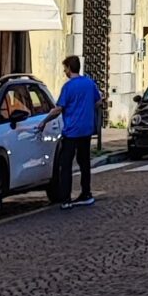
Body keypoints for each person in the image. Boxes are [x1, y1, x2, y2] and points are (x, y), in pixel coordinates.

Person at [50, 54, 102, 207]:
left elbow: (59, 108)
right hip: (86, 130)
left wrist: (44, 121)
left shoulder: (68, 87)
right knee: (84, 162)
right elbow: (98, 101)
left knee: (65, 164)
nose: (64, 71)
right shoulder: (89, 83)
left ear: (69, 68)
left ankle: (66, 198)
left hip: (71, 131)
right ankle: (86, 193)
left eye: (65, 68)